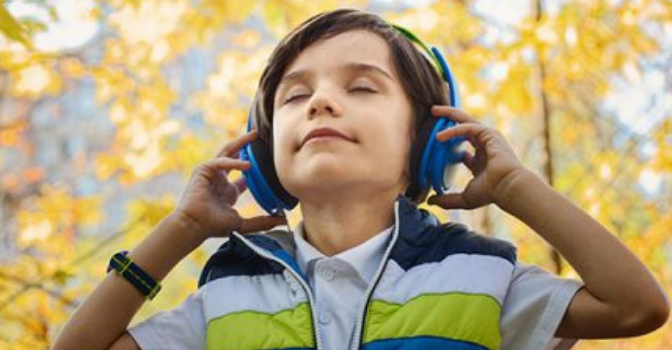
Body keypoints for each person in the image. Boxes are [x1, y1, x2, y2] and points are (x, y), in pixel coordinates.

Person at [52, 8, 669, 350]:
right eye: (296, 96)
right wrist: (183, 229)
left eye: (361, 86)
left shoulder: (481, 278)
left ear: (427, 142)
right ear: (266, 159)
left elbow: (637, 307)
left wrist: (514, 187)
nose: (320, 103)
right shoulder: (226, 296)